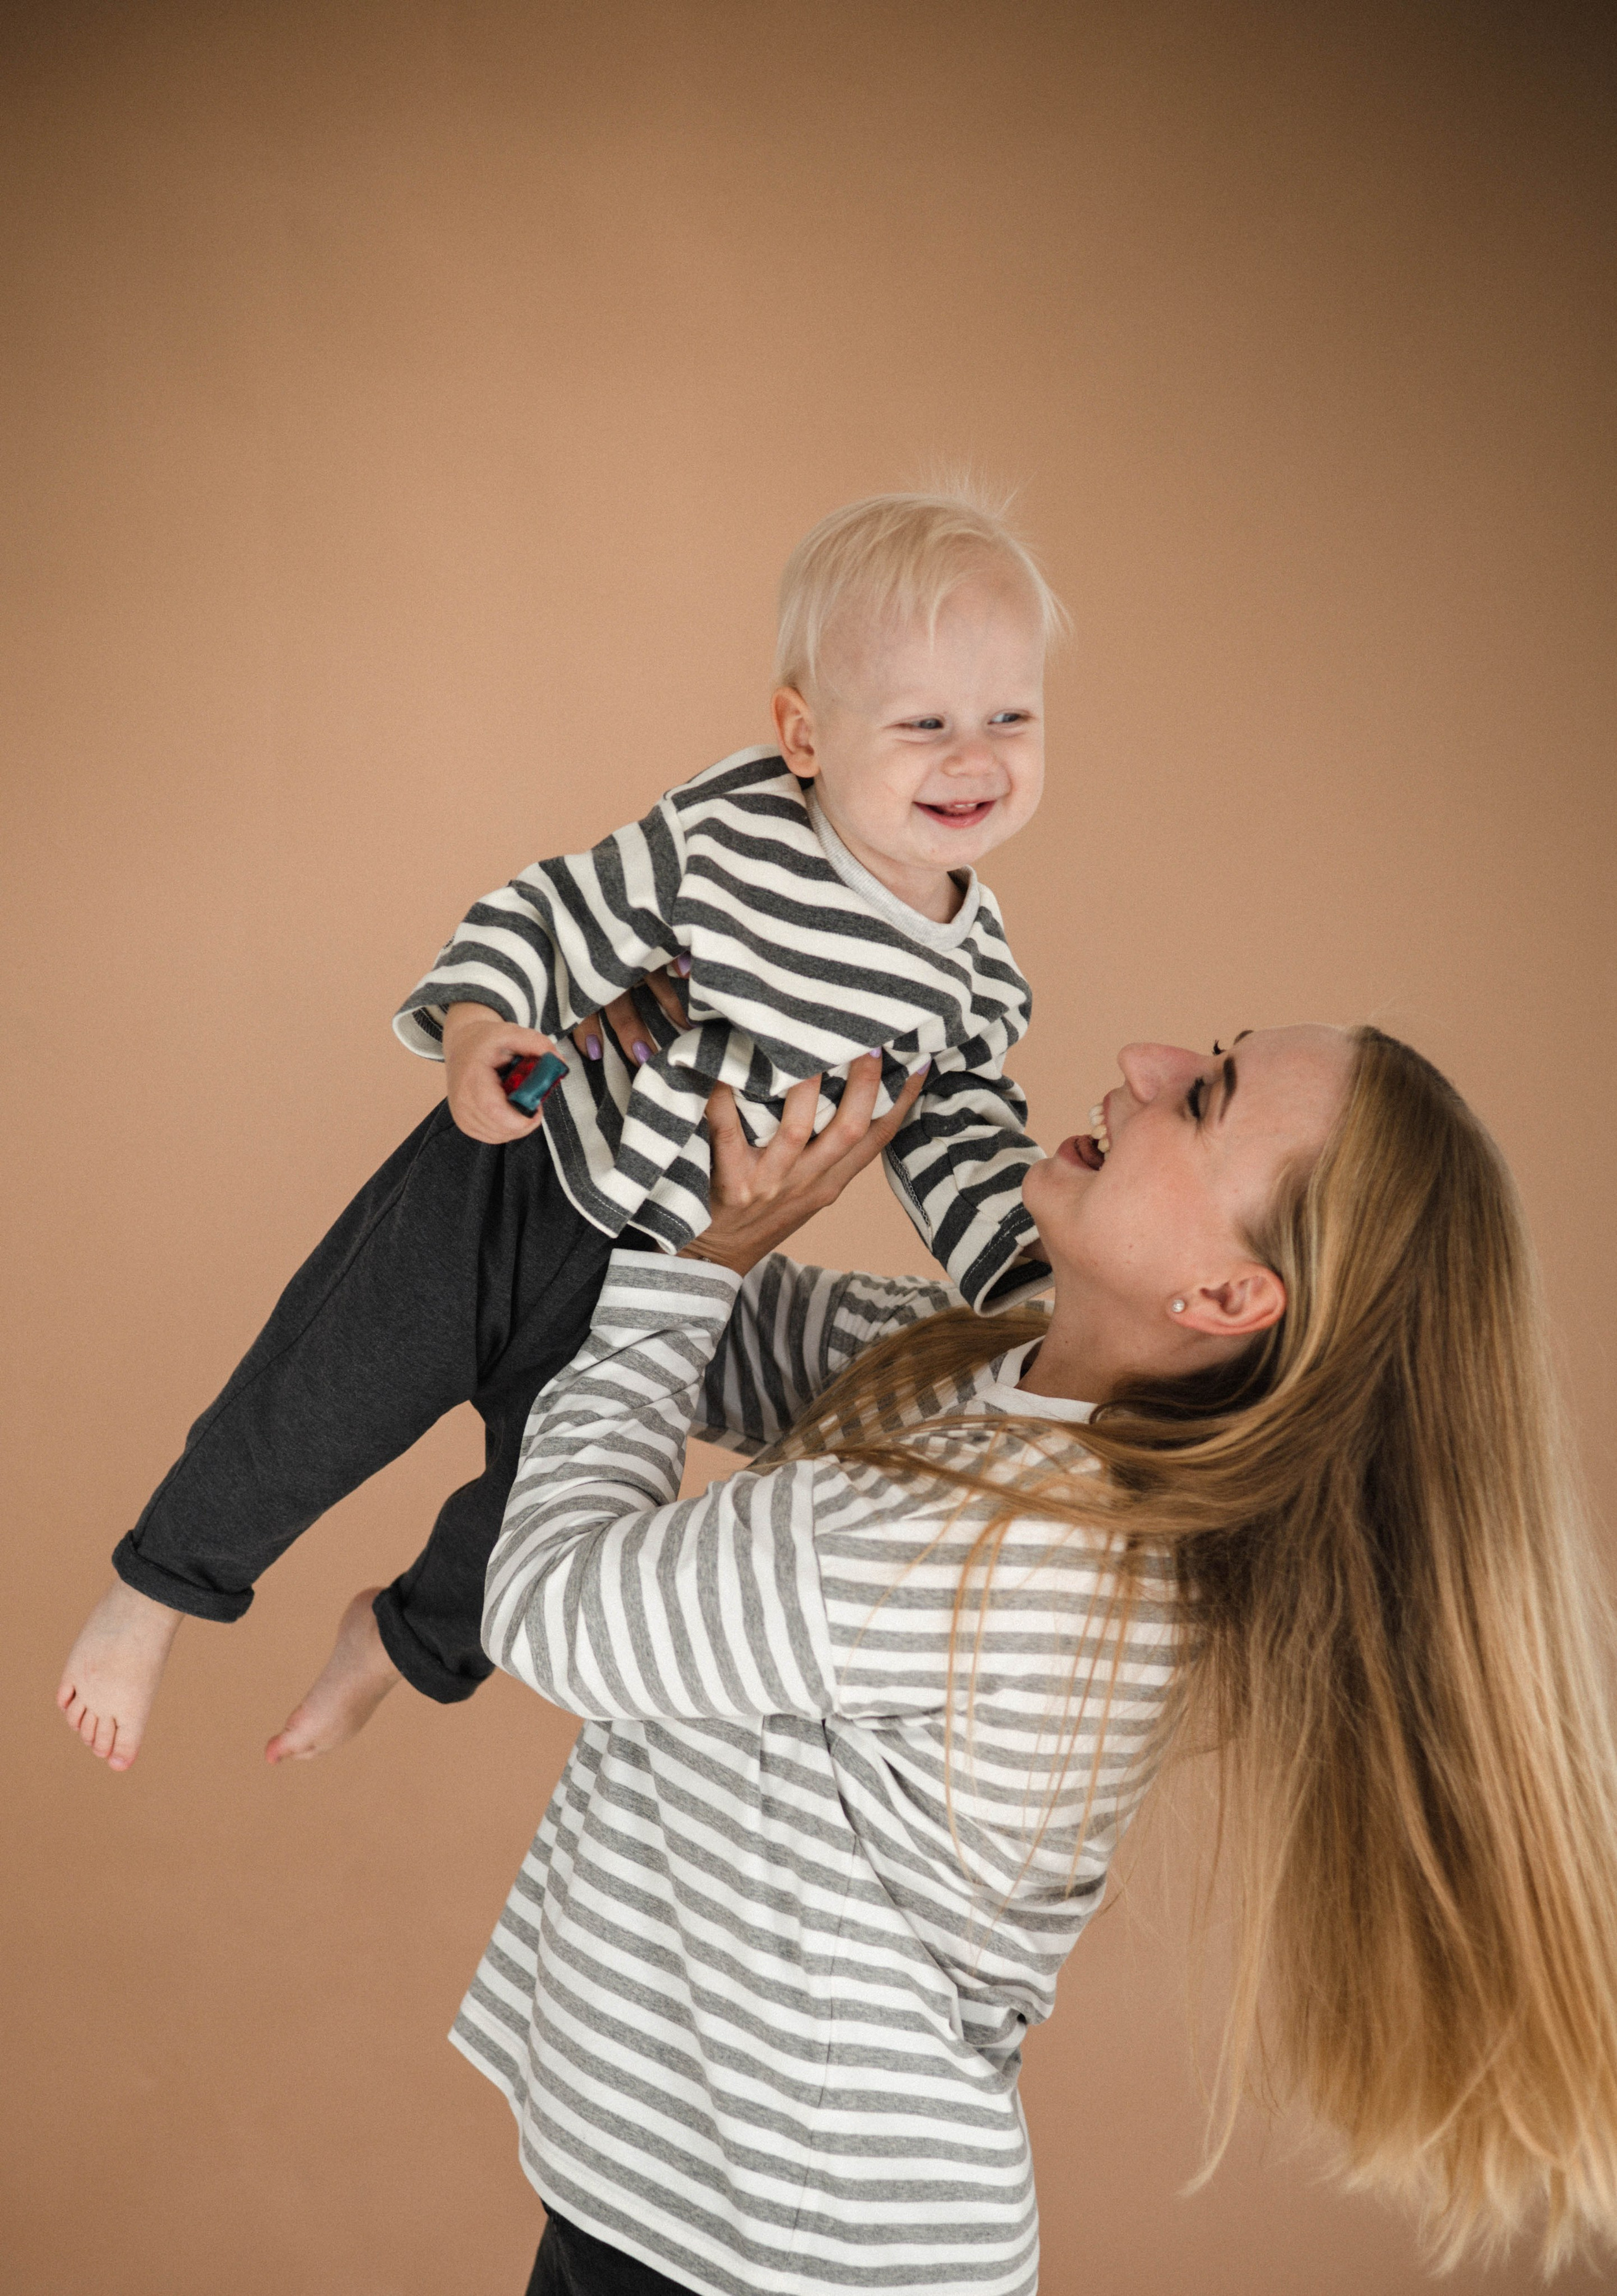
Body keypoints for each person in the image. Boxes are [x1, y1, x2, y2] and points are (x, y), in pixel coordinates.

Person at [462, 1026, 1617, 2293]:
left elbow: (549, 1606)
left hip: (781, 2246)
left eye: (1207, 1095)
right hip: (675, 2187)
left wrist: (709, 1256)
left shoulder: (1024, 1538)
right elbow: (690, 1333)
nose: (1148, 1059)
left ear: (1228, 1298)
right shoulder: (1004, 1375)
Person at [56, 486, 1064, 1771]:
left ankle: (396, 1642)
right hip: (524, 1173)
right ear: (804, 737)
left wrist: (1029, 1277)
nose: (972, 758)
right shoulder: (734, 836)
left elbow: (959, 1136)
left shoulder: (969, 973)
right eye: (923, 724)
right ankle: (155, 1591)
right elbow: (549, 915)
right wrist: (480, 1029)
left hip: (656, 1283)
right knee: (323, 1392)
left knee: (541, 1525)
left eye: (1009, 719)